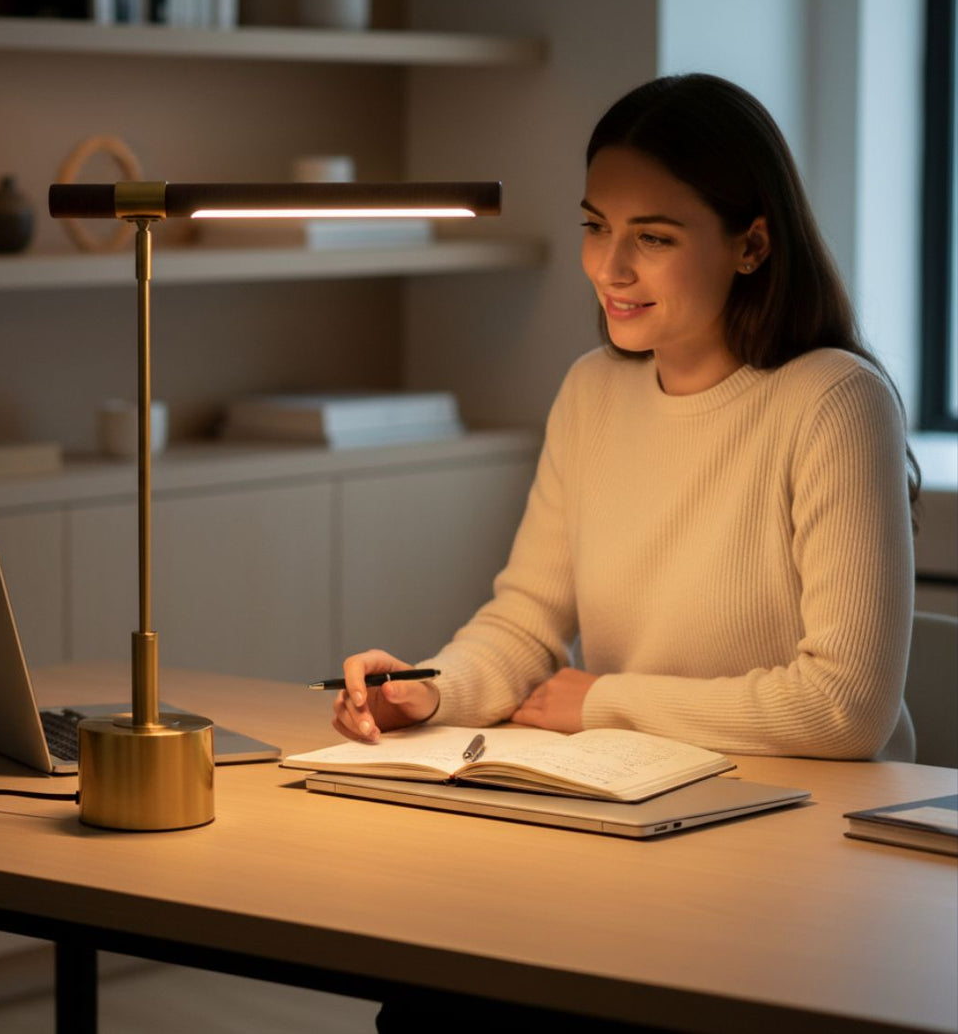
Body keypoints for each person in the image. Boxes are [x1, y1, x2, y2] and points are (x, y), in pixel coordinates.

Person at [344, 72, 920, 1034]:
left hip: (806, 851)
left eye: (652, 237)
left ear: (752, 244)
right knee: (427, 997)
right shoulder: (592, 391)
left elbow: (847, 708)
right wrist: (432, 689)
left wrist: (604, 702)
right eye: (594, 226)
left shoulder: (833, 401)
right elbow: (528, 616)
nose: (610, 267)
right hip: (639, 816)